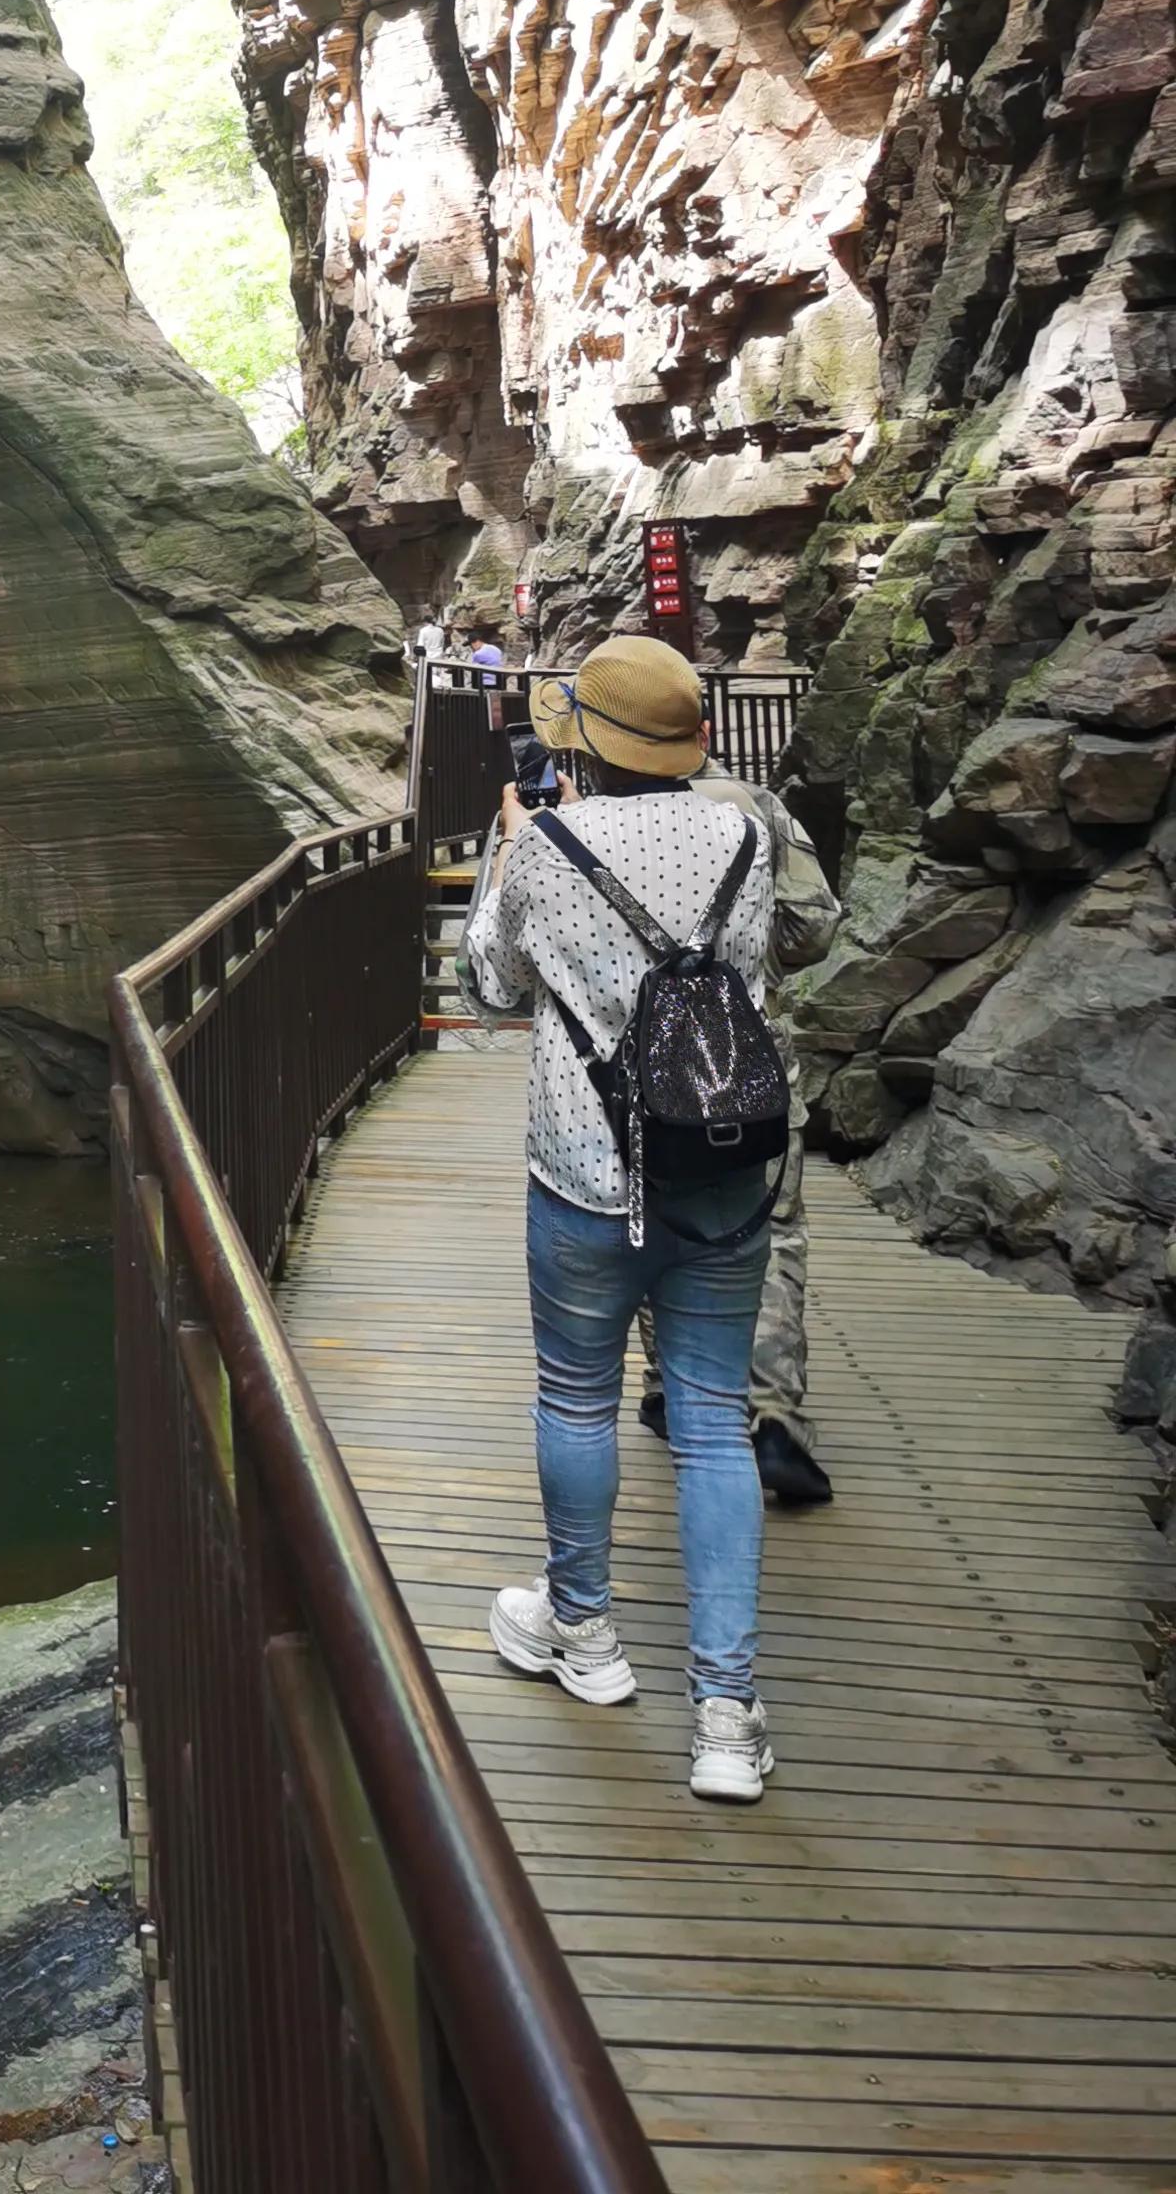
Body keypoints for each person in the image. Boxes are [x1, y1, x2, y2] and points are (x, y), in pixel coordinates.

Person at [462, 635, 783, 1803]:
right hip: (723, 1173)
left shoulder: (548, 846)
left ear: (585, 746)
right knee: (711, 1422)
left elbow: (487, 990)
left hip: (588, 1173)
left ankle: (586, 1636)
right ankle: (726, 1716)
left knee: (577, 1396)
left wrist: (508, 858)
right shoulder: (747, 834)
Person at [636, 760, 840, 1505]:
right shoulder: (758, 806)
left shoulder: (604, 814)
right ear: (702, 731)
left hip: (649, 1061)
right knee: (770, 1228)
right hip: (753, 1054)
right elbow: (814, 925)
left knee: (652, 1214)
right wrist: (747, 965)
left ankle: (667, 1388)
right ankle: (773, 1417)